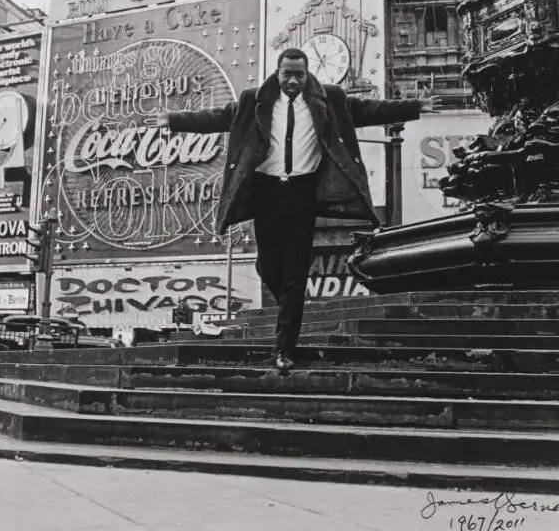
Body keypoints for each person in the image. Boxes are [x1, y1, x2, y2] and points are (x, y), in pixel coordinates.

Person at [154, 48, 439, 370]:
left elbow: (369, 109)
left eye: (299, 74)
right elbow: (218, 116)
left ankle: (284, 348)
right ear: (278, 73)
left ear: (308, 74)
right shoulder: (253, 101)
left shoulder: (328, 99)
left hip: (303, 193)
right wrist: (175, 120)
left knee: (295, 274)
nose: (292, 80)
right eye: (287, 74)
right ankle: (291, 307)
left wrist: (415, 107)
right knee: (267, 266)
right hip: (265, 192)